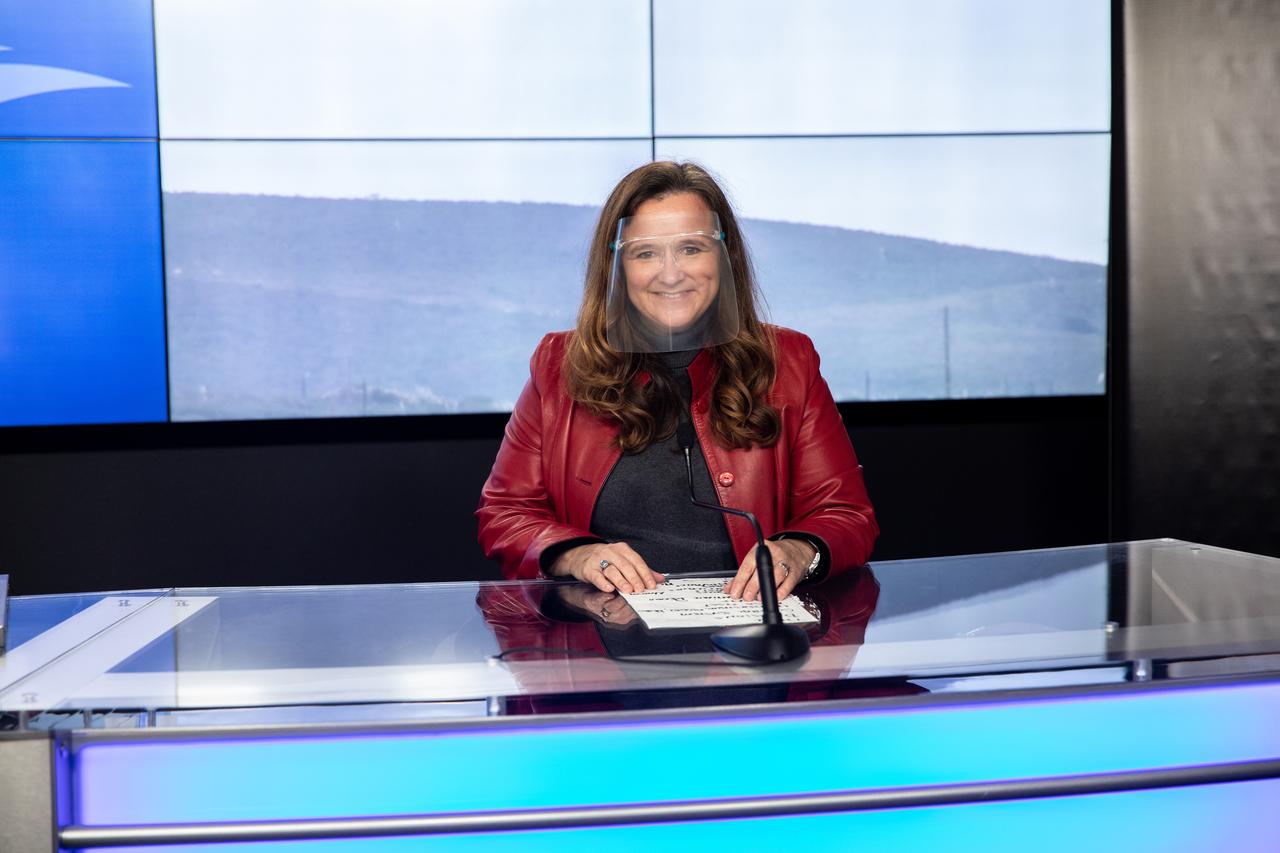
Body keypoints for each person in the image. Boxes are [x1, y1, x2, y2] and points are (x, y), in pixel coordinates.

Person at [477, 161, 877, 602]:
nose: (670, 273)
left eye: (691, 248)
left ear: (725, 257)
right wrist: (576, 555)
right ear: (616, 266)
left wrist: (799, 551)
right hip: (604, 631)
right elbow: (505, 513)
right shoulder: (558, 364)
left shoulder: (790, 360)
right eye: (645, 253)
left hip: (749, 634)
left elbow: (845, 514)